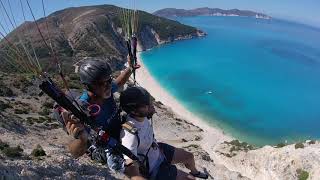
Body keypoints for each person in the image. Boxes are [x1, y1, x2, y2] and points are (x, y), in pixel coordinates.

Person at [57, 56, 140, 170]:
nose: (108, 85)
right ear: (88, 86)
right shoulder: (83, 110)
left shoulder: (106, 90)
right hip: (106, 146)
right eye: (102, 83)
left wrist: (130, 68)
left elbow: (119, 82)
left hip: (119, 133)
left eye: (109, 80)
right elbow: (75, 153)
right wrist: (81, 139)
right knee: (133, 168)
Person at [120, 87, 209, 180]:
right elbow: (129, 166)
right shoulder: (129, 134)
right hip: (153, 167)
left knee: (189, 156)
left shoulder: (142, 116)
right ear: (134, 111)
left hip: (156, 149)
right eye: (146, 104)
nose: (151, 105)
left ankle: (195, 172)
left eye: (149, 101)